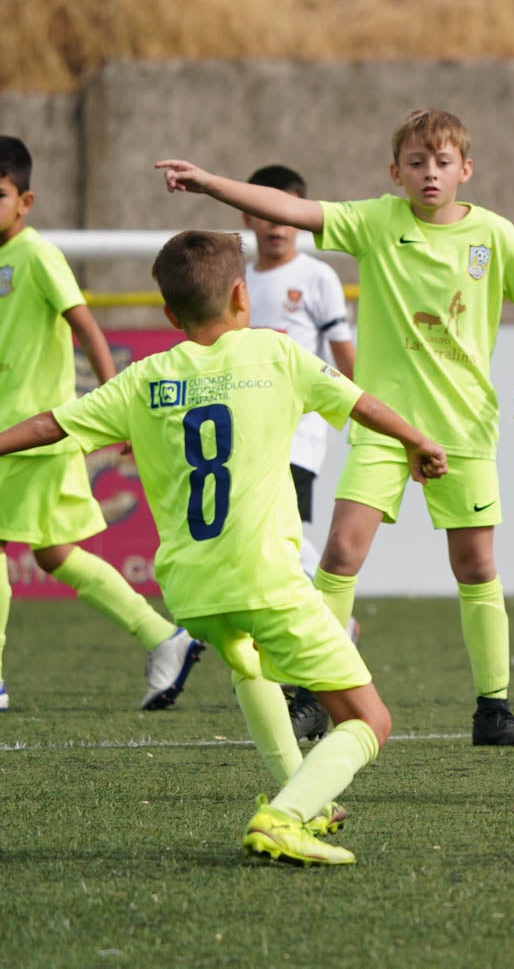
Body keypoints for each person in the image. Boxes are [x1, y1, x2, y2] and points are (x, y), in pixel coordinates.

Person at [0, 229, 447, 865]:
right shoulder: (277, 354)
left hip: (191, 592)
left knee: (247, 661)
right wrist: (418, 441)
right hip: (266, 579)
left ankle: (305, 799)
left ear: (168, 315)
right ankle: (286, 816)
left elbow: (52, 426)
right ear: (243, 294)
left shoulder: (145, 378)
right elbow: (362, 402)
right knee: (369, 721)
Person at [156, 108, 514, 746]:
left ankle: (494, 709)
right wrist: (210, 183)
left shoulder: (494, 235)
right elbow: (289, 208)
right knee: (341, 553)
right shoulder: (376, 222)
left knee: (476, 565)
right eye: (418, 163)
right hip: (385, 427)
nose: (430, 174)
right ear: (395, 173)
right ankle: (312, 694)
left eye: (444, 162)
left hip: (464, 426)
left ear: (466, 170)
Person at [0, 135, 203, 713]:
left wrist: (115, 404)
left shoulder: (37, 255)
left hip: (36, 431)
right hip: (15, 434)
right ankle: (162, 634)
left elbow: (86, 327)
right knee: (53, 553)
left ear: (26, 201)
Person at [241, 164, 357, 743]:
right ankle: (337, 622)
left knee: (276, 536)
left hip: (300, 433)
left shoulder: (318, 278)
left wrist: (363, 420)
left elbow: (343, 355)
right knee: (270, 540)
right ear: (247, 217)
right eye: (264, 211)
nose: (275, 224)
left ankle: (335, 629)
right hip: (247, 436)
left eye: (286, 211)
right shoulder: (237, 280)